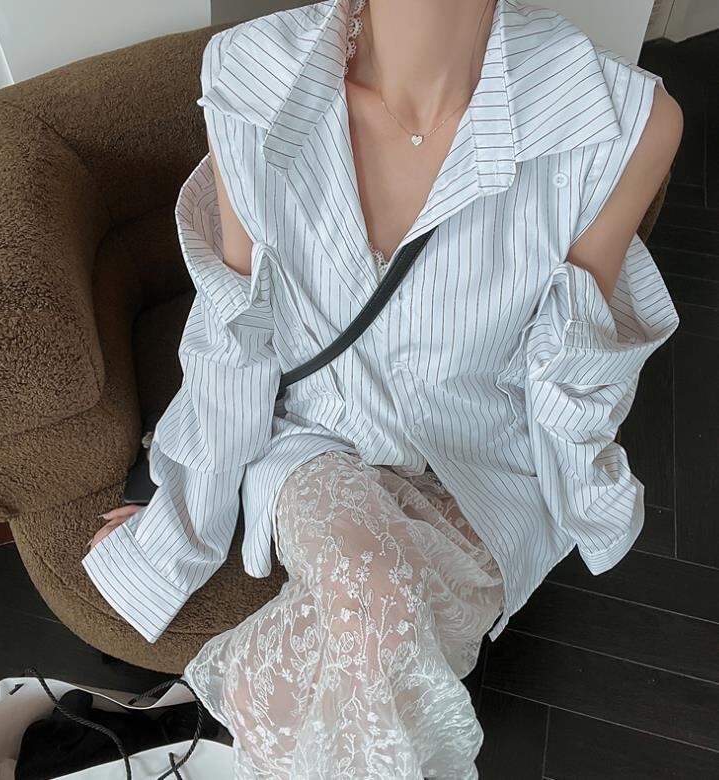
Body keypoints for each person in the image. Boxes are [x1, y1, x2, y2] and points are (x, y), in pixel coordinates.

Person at [82, 0, 683, 776]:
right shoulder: (254, 75)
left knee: (386, 643)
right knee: (378, 597)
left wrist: (585, 496)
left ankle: (190, 721)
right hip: (319, 433)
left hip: (485, 463)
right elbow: (238, 331)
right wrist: (180, 515)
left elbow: (569, 362)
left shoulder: (621, 120)